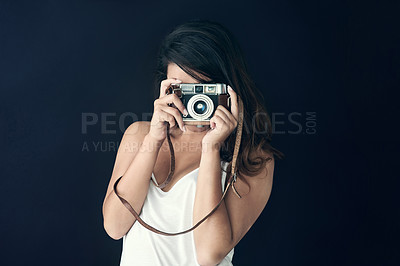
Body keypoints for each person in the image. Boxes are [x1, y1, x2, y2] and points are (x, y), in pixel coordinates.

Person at [102, 19, 284, 266]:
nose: (194, 103)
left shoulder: (252, 159)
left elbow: (209, 255)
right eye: (181, 89)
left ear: (226, 87)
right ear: (165, 86)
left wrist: (211, 148)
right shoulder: (139, 135)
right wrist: (154, 140)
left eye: (202, 89)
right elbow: (114, 227)